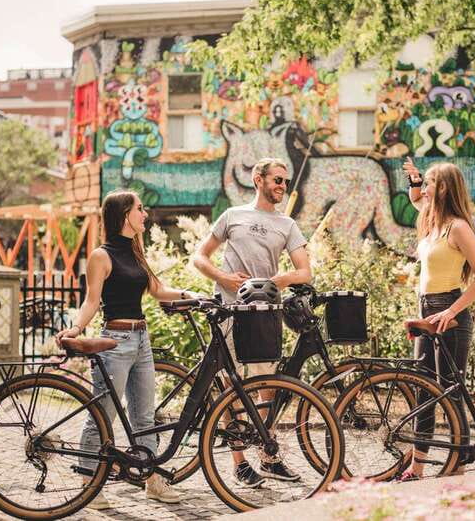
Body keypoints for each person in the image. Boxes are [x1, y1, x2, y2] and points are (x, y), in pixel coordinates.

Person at [55, 189, 196, 509]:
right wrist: (77, 328)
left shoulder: (136, 251)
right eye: (140, 209)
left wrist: (192, 295)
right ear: (124, 215)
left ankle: (152, 480)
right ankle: (90, 484)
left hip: (141, 340)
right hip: (114, 342)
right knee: (101, 415)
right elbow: (92, 301)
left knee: (145, 415)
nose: (145, 214)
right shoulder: (101, 256)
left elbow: (157, 290)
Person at [193, 157, 311, 487]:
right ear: (258, 179)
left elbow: (305, 271)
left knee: (267, 386)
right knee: (230, 387)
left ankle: (268, 456)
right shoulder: (233, 216)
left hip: (266, 312)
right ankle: (239, 462)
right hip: (229, 310)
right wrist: (224, 278)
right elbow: (200, 257)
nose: (282, 186)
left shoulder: (287, 224)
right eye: (276, 180)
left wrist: (275, 280)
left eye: (285, 182)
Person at [397, 158, 475, 481]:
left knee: (451, 392)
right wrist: (413, 178)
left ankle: (459, 464)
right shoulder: (431, 220)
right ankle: (417, 467)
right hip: (426, 309)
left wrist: (452, 310)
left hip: (450, 310)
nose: (425, 188)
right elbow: (415, 198)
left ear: (445, 188)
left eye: (430, 182)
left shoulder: (458, 227)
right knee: (425, 389)